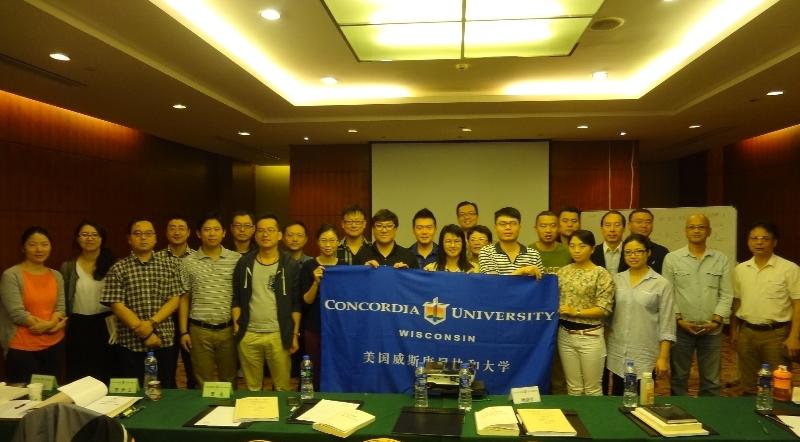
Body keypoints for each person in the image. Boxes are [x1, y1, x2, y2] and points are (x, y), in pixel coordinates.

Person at [102, 219, 183, 388]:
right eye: (138, 234)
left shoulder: (171, 265)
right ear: (129, 239)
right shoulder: (118, 268)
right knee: (133, 389)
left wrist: (151, 323)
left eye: (148, 233)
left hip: (164, 340)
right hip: (130, 343)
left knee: (166, 386)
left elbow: (174, 300)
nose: (143, 238)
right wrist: (144, 333)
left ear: (155, 238)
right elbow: (117, 306)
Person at [662, 214, 732, 396]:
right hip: (681, 329)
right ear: (686, 231)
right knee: (679, 378)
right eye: (692, 227)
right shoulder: (672, 259)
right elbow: (668, 294)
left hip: (712, 330)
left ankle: (709, 411)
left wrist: (716, 321)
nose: (696, 231)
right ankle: (680, 412)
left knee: (712, 380)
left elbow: (726, 294)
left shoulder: (721, 259)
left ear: (709, 231)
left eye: (701, 227)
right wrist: (679, 319)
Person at [232, 214, 301, 391]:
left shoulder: (290, 265)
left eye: (270, 230)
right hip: (249, 334)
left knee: (282, 388)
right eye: (261, 230)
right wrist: (237, 327)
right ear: (255, 235)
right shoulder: (244, 263)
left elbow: (295, 303)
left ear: (279, 235)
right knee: (252, 388)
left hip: (278, 334)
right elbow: (237, 298)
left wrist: (294, 334)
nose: (265, 234)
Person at [731, 221, 800, 393]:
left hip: (776, 335)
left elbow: (797, 303)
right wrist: (734, 331)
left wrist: (794, 337)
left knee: (779, 385)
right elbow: (736, 301)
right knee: (748, 384)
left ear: (774, 242)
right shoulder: (740, 269)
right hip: (747, 333)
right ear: (748, 242)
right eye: (754, 238)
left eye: (765, 238)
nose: (759, 242)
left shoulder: (789, 268)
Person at [606, 234, 676, 395]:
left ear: (648, 253)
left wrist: (663, 358)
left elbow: (667, 324)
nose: (633, 256)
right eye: (628, 252)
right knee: (617, 396)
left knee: (643, 400)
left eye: (638, 251)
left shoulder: (661, 284)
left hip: (644, 354)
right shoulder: (616, 280)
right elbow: (608, 317)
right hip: (617, 353)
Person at [178, 213, 240, 388]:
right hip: (199, 330)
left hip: (228, 329)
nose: (212, 233)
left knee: (229, 380)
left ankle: (228, 406)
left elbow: (241, 296)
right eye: (207, 229)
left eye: (216, 229)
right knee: (202, 381)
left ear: (224, 233)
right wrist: (183, 332)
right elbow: (184, 298)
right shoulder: (187, 262)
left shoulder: (236, 259)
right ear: (199, 233)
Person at [0, 227, 67, 384]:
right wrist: (49, 326)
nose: (39, 249)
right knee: (24, 396)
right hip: (22, 348)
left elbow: (60, 308)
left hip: (55, 345)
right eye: (33, 244)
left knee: (51, 394)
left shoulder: (56, 275)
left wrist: (48, 325)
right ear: (23, 248)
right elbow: (17, 314)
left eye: (44, 244)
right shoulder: (11, 275)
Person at [557, 230, 614, 396]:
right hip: (565, 335)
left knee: (592, 389)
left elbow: (604, 308)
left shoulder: (600, 273)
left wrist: (575, 312)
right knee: (573, 388)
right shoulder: (563, 272)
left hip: (590, 336)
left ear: (592, 249)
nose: (576, 250)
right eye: (572, 246)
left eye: (582, 246)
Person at [60, 221, 116, 383]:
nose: (89, 238)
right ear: (77, 239)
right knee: (79, 371)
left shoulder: (114, 264)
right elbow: (63, 298)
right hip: (78, 324)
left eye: (94, 235)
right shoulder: (68, 266)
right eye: (84, 235)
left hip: (107, 324)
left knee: (106, 369)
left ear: (102, 239)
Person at [299, 224, 345, 390]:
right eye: (323, 240)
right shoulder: (308, 266)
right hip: (314, 326)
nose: (328, 244)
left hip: (338, 327)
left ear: (338, 242)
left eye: (332, 240)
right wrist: (316, 283)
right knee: (314, 367)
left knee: (338, 364)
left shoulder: (345, 267)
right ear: (317, 242)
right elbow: (306, 300)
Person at [155, 216, 195, 388]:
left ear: (189, 232)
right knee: (166, 369)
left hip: (192, 319)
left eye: (181, 228)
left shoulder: (197, 258)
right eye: (172, 228)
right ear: (166, 232)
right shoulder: (156, 258)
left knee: (193, 368)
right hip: (165, 319)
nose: (177, 232)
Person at [479, 207, 543, 277]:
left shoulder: (533, 255)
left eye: (513, 223)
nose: (508, 227)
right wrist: (521, 271)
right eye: (502, 224)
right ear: (495, 228)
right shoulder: (487, 252)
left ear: (519, 227)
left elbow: (540, 281)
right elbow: (491, 282)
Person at [353, 209, 419, 269]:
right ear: (373, 229)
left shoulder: (408, 256)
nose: (384, 230)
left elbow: (416, 278)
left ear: (395, 229)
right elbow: (353, 277)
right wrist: (363, 270)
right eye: (379, 226)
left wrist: (406, 273)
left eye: (389, 226)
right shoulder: (361, 256)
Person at [627, 209, 669, 273]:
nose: (644, 226)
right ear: (629, 225)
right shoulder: (621, 250)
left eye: (648, 222)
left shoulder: (662, 252)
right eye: (639, 222)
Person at [590, 210, 626, 276]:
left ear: (624, 228)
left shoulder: (630, 252)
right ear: (601, 229)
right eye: (608, 225)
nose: (612, 229)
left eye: (617, 225)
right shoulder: (592, 253)